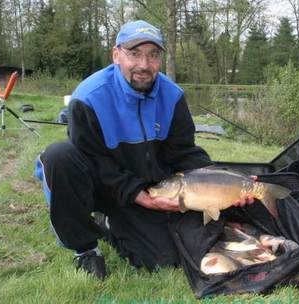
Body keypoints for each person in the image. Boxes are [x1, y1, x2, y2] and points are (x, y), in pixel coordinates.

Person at [34, 20, 252, 279]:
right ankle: (85, 248)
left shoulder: (173, 96)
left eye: (153, 55)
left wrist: (225, 180)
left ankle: (110, 222)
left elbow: (184, 153)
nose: (144, 65)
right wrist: (136, 193)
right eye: (134, 53)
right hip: (103, 185)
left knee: (164, 259)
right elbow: (92, 159)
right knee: (60, 156)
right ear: (116, 55)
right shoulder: (88, 97)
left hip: (149, 188)